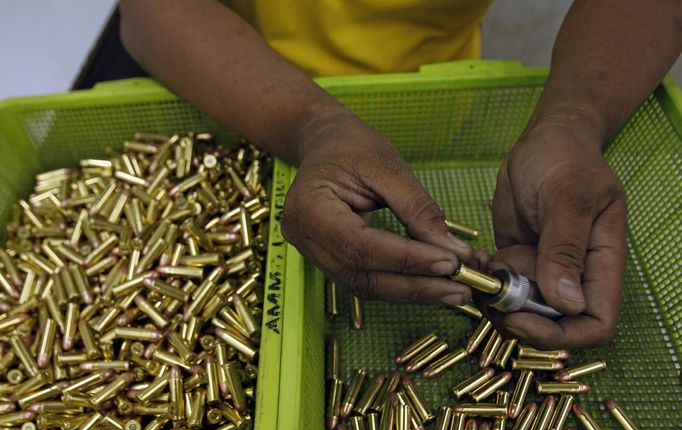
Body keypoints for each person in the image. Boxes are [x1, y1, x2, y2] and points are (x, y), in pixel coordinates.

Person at [119, 0, 682, 349]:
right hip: (222, 78)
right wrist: (312, 125)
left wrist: (574, 121)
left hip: (431, 106)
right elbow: (148, 11)